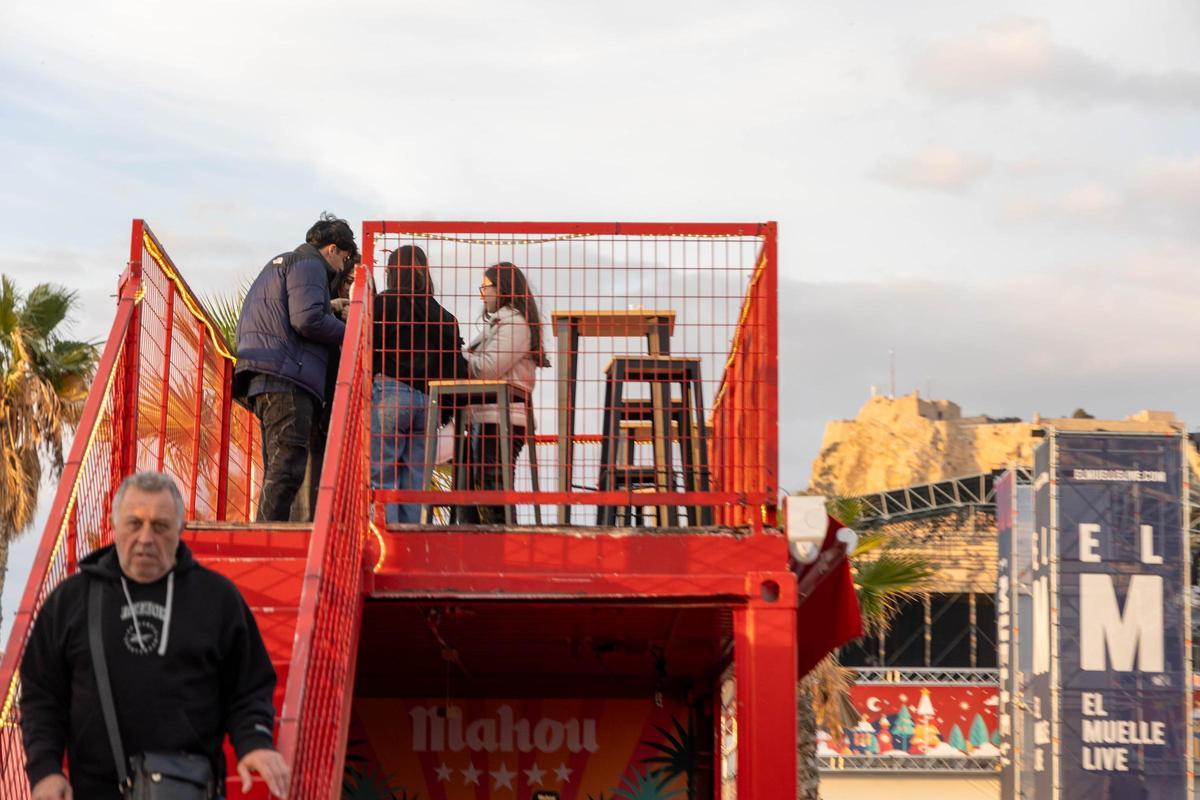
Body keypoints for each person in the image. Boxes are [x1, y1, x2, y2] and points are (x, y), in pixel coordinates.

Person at [20, 471, 289, 799]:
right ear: (113, 524)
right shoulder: (70, 601)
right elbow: (42, 697)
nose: (146, 538)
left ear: (180, 530)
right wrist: (45, 771)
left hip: (188, 789)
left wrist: (255, 743)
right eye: (134, 523)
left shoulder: (217, 599)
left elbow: (248, 688)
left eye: (160, 526)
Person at [233, 213, 355, 522]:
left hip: (266, 375)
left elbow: (291, 311)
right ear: (332, 248)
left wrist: (329, 306)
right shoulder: (310, 264)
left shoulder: (285, 263)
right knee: (288, 466)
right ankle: (267, 537)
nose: (343, 266)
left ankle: (267, 532)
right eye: (344, 257)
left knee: (278, 467)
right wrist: (352, 334)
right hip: (289, 378)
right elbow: (306, 320)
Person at [372, 245, 469, 523]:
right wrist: (448, 410)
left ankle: (383, 538)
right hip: (429, 402)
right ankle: (409, 536)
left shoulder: (384, 303)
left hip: (390, 392)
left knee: (381, 475)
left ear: (392, 272)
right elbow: (454, 367)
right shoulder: (445, 317)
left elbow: (370, 345)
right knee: (415, 480)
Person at [462, 262, 550, 524]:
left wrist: (460, 358)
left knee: (493, 488)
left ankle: (499, 542)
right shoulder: (504, 323)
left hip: (502, 419)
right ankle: (494, 543)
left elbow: (488, 368)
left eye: (485, 287)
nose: (482, 294)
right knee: (488, 486)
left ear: (502, 288)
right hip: (491, 416)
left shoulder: (514, 324)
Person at [290, 251, 356, 522]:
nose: (353, 288)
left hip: (345, 413)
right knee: (307, 474)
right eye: (349, 280)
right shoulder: (325, 313)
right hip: (319, 402)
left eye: (359, 282)